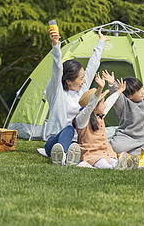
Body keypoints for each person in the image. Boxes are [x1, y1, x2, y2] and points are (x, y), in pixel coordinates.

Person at [44, 26, 109, 166]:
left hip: (76, 143)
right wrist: (56, 46)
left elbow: (92, 67)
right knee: (68, 129)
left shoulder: (82, 92)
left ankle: (68, 157)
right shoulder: (57, 93)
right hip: (54, 141)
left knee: (82, 156)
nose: (83, 81)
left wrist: (101, 43)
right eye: (80, 79)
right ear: (68, 81)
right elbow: (57, 69)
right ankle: (62, 156)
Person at [73, 73, 139, 170]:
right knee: (102, 162)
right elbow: (90, 105)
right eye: (102, 102)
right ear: (95, 106)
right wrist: (100, 88)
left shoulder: (99, 116)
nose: (105, 105)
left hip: (105, 152)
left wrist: (120, 90)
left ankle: (121, 165)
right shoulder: (82, 119)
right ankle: (113, 167)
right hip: (92, 154)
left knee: (112, 160)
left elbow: (110, 101)